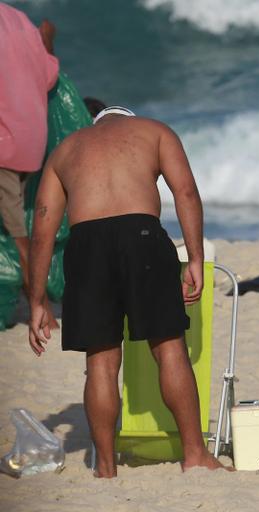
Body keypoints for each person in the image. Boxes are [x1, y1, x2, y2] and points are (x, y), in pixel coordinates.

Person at [27, 106, 226, 477]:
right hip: (142, 236)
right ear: (128, 119)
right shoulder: (154, 130)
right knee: (168, 348)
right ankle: (195, 455)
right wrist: (196, 257)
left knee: (100, 361)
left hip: (86, 244)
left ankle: (105, 466)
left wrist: (37, 300)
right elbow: (185, 191)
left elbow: (42, 228)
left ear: (95, 125)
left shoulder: (66, 149)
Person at [0, 4, 60, 328]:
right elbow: (49, 76)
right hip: (31, 142)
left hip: (4, 146)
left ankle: (44, 310)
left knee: (18, 234)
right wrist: (48, 39)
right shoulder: (21, 20)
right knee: (17, 226)